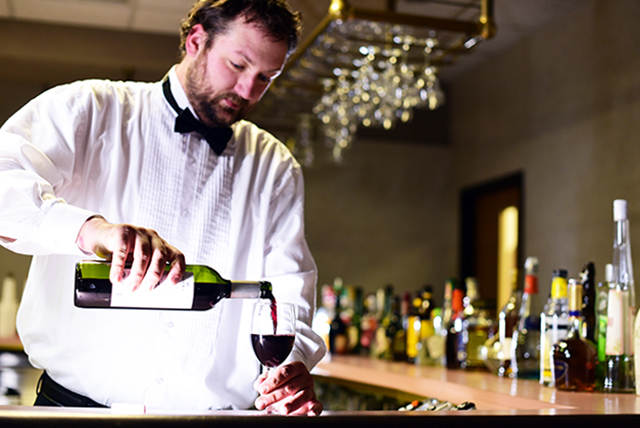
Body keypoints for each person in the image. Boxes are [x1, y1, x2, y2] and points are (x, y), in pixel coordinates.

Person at [0, 0, 325, 416]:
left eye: (265, 77)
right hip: (73, 412)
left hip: (215, 419)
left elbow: (289, 290)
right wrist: (91, 230)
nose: (247, 91)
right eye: (238, 65)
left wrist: (291, 362)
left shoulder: (274, 165)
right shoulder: (90, 109)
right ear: (196, 40)